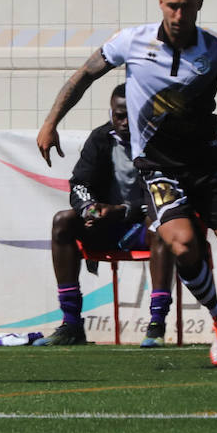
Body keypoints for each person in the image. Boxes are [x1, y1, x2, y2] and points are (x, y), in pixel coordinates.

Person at [37, 0, 217, 367]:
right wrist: (50, 122)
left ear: (199, 4)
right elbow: (84, 76)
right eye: (171, 6)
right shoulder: (130, 42)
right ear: (160, 2)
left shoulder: (215, 51)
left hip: (208, 162)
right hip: (159, 166)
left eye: (186, 7)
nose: (178, 16)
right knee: (183, 243)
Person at [33, 83, 175, 348]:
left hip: (144, 226)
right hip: (107, 227)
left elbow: (167, 195)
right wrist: (90, 209)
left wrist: (122, 211)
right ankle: (71, 324)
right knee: (63, 221)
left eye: (129, 115)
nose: (123, 122)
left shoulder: (160, 142)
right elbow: (79, 184)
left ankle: (156, 323)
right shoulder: (100, 138)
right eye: (117, 115)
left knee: (160, 224)